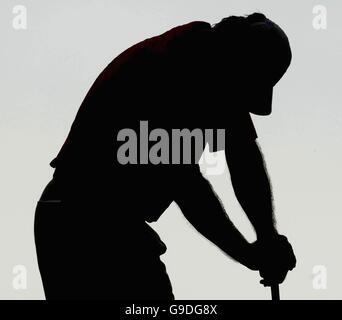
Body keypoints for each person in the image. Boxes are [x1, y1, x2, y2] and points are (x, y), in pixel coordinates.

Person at [34, 12, 296, 300]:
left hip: (111, 225)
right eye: (246, 88)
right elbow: (189, 189)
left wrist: (267, 236)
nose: (240, 103)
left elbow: (243, 156)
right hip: (78, 223)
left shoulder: (217, 71)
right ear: (237, 65)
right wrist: (249, 254)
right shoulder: (174, 66)